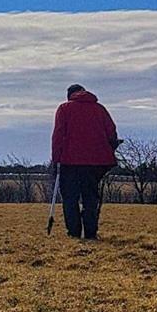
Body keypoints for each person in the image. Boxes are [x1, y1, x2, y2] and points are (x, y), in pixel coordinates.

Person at [51, 84, 119, 240]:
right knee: (90, 198)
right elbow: (112, 132)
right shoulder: (100, 109)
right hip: (95, 163)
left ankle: (74, 232)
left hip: (69, 162)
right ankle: (90, 232)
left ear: (69, 95)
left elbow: (58, 135)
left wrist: (56, 160)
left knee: (70, 198)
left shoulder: (64, 109)